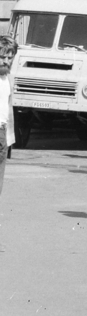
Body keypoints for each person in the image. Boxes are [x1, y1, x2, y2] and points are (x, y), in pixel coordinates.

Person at [0, 34, 14, 205]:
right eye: (2, 57)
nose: (6, 61)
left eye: (10, 57)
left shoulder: (8, 79)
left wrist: (9, 139)